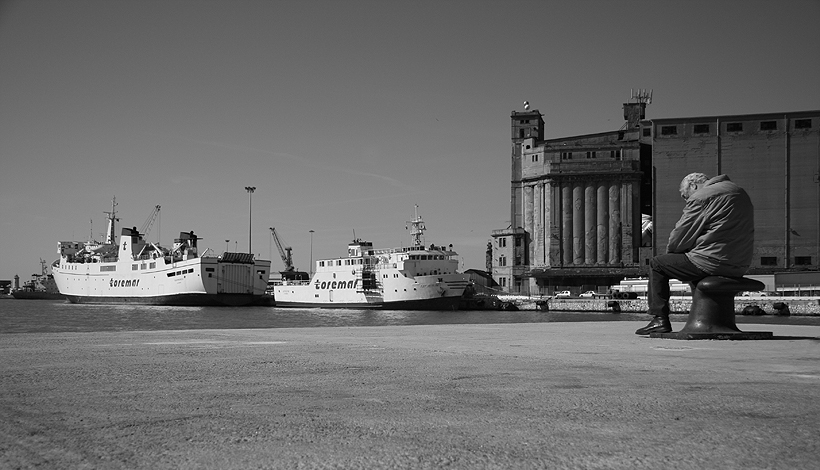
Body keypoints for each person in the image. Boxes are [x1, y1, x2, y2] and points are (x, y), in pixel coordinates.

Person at [635, 173, 754, 335]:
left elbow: (680, 235)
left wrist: (673, 254)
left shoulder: (702, 197)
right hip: (740, 264)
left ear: (693, 185)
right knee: (689, 265)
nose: (686, 200)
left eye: (685, 196)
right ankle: (712, 319)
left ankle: (659, 319)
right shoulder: (739, 192)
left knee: (657, 264)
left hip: (712, 261)